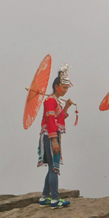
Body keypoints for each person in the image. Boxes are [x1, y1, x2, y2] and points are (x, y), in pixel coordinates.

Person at [38, 64, 75, 208]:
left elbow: (59, 120)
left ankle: (44, 197)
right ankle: (55, 199)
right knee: (54, 167)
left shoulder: (55, 101)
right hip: (50, 136)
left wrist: (66, 107)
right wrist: (54, 141)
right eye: (63, 87)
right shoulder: (50, 101)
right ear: (56, 86)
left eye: (67, 88)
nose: (65, 90)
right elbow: (50, 122)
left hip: (54, 136)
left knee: (51, 168)